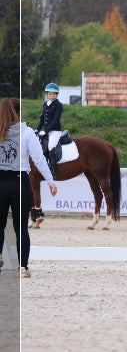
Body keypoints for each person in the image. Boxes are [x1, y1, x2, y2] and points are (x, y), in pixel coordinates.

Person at [0, 97, 58, 278]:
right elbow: (39, 160)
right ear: (19, 113)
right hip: (19, 182)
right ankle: (23, 268)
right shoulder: (27, 133)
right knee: (21, 229)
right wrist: (50, 181)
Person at [36, 82, 64, 175]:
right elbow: (43, 118)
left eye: (54, 94)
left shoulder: (58, 105)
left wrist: (46, 131)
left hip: (55, 131)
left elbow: (56, 120)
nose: (52, 96)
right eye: (50, 94)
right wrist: (38, 129)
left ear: (57, 95)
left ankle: (53, 170)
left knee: (51, 146)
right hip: (45, 131)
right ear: (47, 94)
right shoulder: (45, 104)